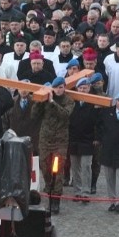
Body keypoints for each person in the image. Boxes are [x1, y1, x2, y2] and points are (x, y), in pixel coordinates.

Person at [31, 77, 74, 214]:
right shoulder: (45, 99)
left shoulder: (69, 100)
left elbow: (65, 115)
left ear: (64, 87)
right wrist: (40, 101)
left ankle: (56, 199)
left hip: (60, 141)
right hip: (45, 140)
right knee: (45, 168)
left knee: (58, 170)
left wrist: (52, 102)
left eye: (61, 87)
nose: (59, 90)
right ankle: (48, 190)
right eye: (56, 88)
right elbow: (34, 115)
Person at [67, 78, 99, 201]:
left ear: (89, 89)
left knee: (86, 166)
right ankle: (77, 191)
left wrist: (96, 138)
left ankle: (85, 191)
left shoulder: (93, 103)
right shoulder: (72, 103)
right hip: (74, 138)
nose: (82, 90)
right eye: (80, 88)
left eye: (84, 88)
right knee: (75, 167)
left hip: (88, 139)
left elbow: (97, 122)